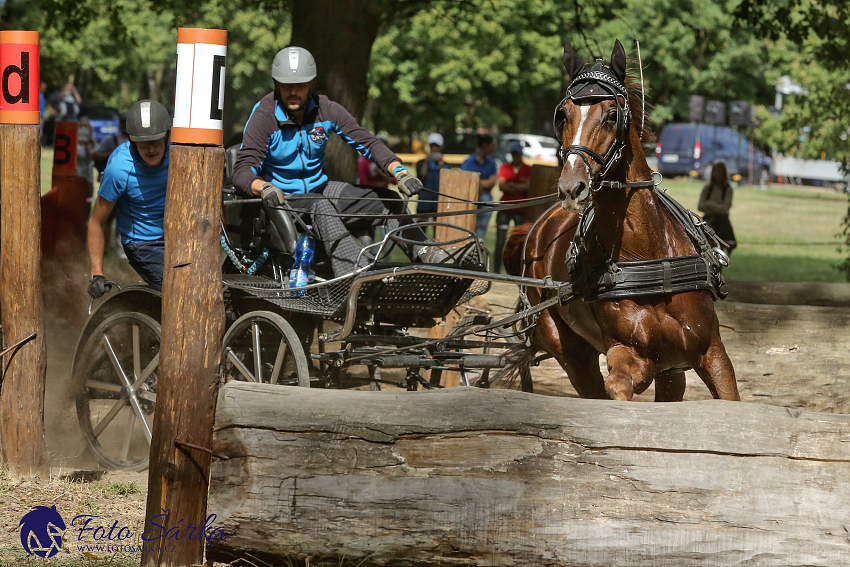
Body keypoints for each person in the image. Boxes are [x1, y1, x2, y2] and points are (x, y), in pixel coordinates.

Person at [233, 46, 458, 279]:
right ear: (275, 84)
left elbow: (368, 142)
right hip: (285, 200)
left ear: (312, 83)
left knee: (389, 199)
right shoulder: (264, 116)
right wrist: (264, 187)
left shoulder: (326, 109)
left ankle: (425, 254)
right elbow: (242, 170)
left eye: (299, 85)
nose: (292, 91)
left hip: (320, 190)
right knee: (322, 205)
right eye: (286, 84)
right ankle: (356, 276)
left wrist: (399, 172)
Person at [87, 100, 171, 298]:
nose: (151, 149)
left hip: (177, 235)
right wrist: (96, 274)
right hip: (143, 244)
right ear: (132, 141)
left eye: (156, 140)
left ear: (168, 135)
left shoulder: (181, 153)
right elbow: (96, 222)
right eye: (143, 142)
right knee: (176, 292)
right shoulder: (119, 169)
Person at [493, 141, 532, 273]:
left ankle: (519, 271)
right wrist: (518, 187)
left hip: (521, 209)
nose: (515, 156)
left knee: (520, 242)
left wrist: (511, 186)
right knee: (500, 242)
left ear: (521, 153)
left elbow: (528, 187)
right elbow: (501, 186)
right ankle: (496, 271)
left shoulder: (528, 168)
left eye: (517, 153)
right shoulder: (505, 167)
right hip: (505, 208)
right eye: (513, 153)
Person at [460, 134, 498, 242]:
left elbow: (492, 182)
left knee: (481, 233)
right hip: (470, 199)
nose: (493, 148)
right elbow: (465, 181)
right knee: (467, 231)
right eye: (491, 145)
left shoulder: (492, 163)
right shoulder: (468, 162)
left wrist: (475, 181)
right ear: (484, 145)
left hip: (486, 200)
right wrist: (483, 182)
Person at [698, 160, 737, 254]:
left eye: (719, 171)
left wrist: (710, 205)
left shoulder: (727, 189)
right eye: (715, 171)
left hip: (722, 222)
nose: (716, 174)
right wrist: (716, 207)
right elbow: (700, 206)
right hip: (707, 220)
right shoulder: (708, 188)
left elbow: (725, 208)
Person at [415, 132, 449, 224]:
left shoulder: (445, 165)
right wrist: (426, 163)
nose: (434, 149)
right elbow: (420, 178)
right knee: (420, 231)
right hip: (424, 203)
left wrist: (441, 164)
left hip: (439, 204)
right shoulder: (420, 163)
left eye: (437, 146)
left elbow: (447, 181)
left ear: (441, 147)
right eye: (432, 146)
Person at [76, 116, 97, 193]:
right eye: (81, 126)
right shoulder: (74, 141)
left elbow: (95, 154)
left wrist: (90, 140)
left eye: (86, 126)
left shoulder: (91, 143)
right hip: (77, 174)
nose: (83, 128)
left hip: (88, 174)